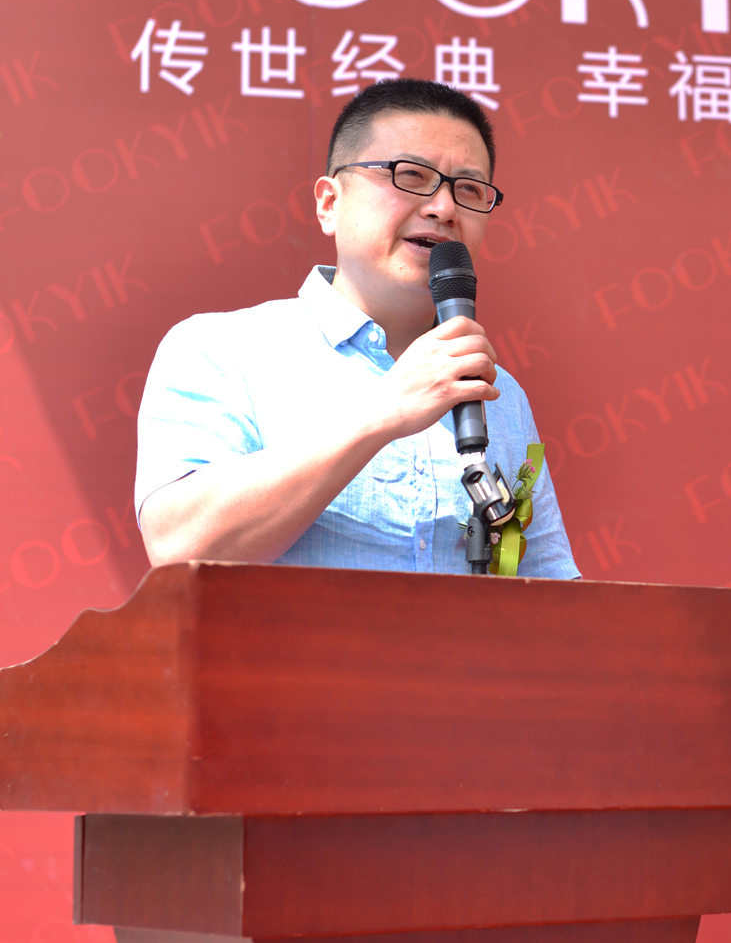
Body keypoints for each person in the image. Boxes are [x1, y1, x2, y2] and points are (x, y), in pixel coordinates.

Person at [135, 78, 578, 578]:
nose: (444, 208)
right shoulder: (220, 349)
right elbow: (178, 548)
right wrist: (383, 411)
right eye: (411, 176)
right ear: (330, 203)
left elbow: (549, 585)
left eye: (469, 190)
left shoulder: (499, 393)